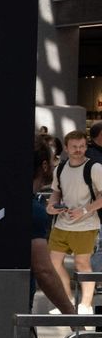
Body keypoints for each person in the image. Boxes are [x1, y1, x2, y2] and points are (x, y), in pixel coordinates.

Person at [48, 128, 101, 313]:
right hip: (62, 223)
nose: (78, 150)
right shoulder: (60, 168)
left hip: (86, 224)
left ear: (86, 147)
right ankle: (67, 301)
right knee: (53, 263)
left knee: (82, 264)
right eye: (74, 147)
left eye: (81, 146)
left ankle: (85, 305)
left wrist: (84, 210)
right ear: (66, 148)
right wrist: (51, 205)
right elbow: (56, 192)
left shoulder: (94, 168)